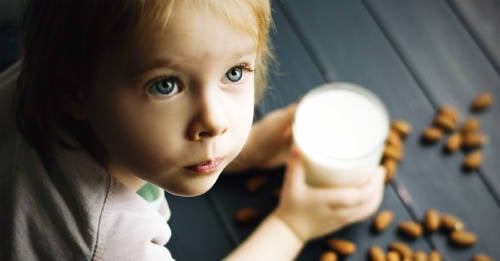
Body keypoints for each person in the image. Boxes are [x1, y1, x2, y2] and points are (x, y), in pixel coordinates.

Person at [0, 0, 385, 260]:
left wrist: (245, 151)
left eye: (234, 73)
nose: (215, 121)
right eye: (165, 85)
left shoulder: (37, 82)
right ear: (75, 91)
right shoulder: (110, 243)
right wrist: (291, 226)